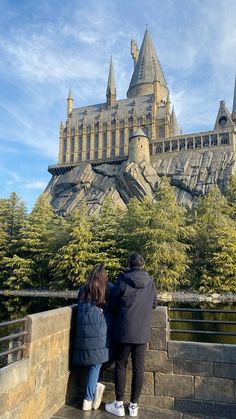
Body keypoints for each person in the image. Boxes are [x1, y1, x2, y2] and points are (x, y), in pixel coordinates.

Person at [105, 253, 157, 417]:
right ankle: (134, 406)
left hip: (124, 330)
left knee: (120, 364)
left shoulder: (122, 281)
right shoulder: (150, 283)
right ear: (142, 264)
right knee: (138, 367)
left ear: (129, 264)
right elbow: (154, 304)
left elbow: (112, 305)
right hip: (142, 332)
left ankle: (119, 404)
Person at [73, 265, 112, 411]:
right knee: (95, 364)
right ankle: (88, 400)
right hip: (99, 332)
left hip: (82, 333)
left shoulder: (83, 289)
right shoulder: (108, 288)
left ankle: (94, 388)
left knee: (91, 362)